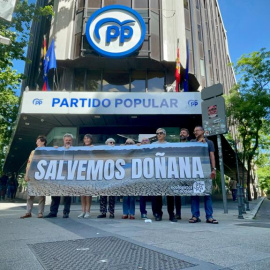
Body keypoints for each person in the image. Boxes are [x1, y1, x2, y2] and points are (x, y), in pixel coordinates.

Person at [189, 126, 218, 224]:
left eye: (197, 130)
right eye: (194, 131)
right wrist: (198, 144)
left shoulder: (209, 142)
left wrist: (213, 169)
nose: (195, 132)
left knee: (207, 194)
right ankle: (195, 216)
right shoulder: (192, 142)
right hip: (194, 170)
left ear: (202, 131)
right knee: (194, 194)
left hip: (206, 170)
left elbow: (212, 155)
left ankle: (209, 216)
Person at [44, 133, 73, 218]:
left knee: (68, 194)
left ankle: (66, 212)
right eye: (66, 140)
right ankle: (53, 212)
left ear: (72, 141)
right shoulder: (58, 149)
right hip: (58, 175)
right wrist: (55, 150)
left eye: (69, 140)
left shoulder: (75, 150)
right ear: (63, 141)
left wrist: (69, 151)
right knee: (55, 193)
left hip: (69, 175)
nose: (68, 141)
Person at [151, 128, 177, 222]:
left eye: (161, 133)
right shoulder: (152, 145)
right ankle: (158, 214)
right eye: (157, 133)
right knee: (157, 195)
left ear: (165, 134)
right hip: (156, 173)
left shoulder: (169, 145)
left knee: (170, 195)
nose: (159, 135)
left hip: (167, 172)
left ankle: (171, 214)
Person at [20, 135, 47, 218]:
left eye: (38, 141)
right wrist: (26, 174)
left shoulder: (47, 151)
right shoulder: (33, 152)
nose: (36, 143)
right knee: (30, 194)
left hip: (42, 175)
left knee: (42, 194)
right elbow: (29, 163)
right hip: (32, 174)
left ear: (43, 142)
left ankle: (40, 212)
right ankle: (28, 212)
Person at [97, 138, 116, 219]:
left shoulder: (116, 152)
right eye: (110, 142)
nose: (112, 143)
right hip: (104, 176)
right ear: (106, 143)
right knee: (103, 195)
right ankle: (103, 212)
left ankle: (111, 212)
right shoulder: (102, 152)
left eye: (113, 142)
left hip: (113, 177)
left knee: (112, 196)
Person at [78, 134, 94, 219]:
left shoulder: (93, 148)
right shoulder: (80, 148)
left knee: (88, 193)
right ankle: (83, 211)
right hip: (82, 172)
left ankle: (88, 211)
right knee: (82, 193)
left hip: (90, 172)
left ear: (91, 139)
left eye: (88, 138)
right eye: (85, 138)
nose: (86, 139)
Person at [122, 138, 136, 220]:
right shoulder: (122, 151)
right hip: (124, 176)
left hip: (133, 176)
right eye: (127, 143)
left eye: (131, 143)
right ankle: (125, 212)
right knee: (125, 196)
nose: (129, 144)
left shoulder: (136, 151)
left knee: (132, 196)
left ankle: (132, 213)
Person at [139, 137, 151, 219]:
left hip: (152, 176)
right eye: (142, 141)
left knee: (154, 196)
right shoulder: (139, 150)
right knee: (142, 196)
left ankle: (156, 212)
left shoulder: (153, 149)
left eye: (146, 140)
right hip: (142, 176)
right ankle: (143, 212)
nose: (144, 142)